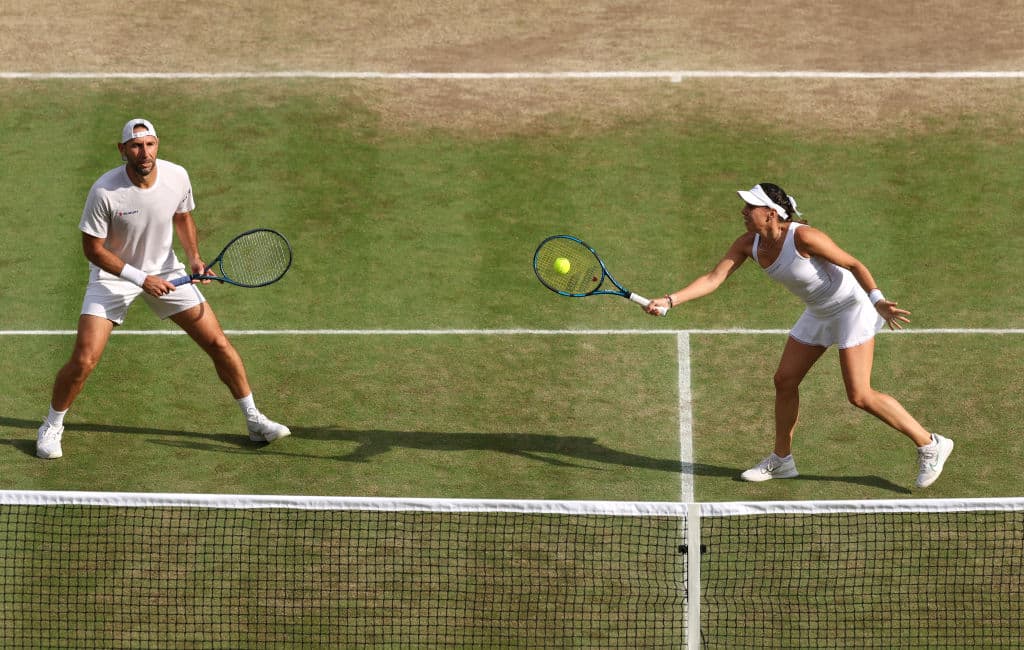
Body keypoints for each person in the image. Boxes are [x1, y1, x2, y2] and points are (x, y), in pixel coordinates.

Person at [645, 182, 953, 488]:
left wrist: (877, 300)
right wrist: (670, 300)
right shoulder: (747, 244)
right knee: (785, 380)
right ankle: (782, 460)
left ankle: (929, 443)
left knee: (859, 394)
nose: (744, 211)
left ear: (770, 213)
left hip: (852, 307)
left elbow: (853, 263)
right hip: (819, 311)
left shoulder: (804, 236)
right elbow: (714, 278)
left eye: (751, 207)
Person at [35, 118, 290, 459]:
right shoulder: (104, 191)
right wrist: (141, 279)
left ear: (158, 145)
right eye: (137, 146)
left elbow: (182, 217)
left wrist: (196, 259)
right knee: (84, 359)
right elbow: (93, 250)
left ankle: (254, 419)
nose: (145, 153)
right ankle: (52, 425)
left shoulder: (177, 176)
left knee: (218, 343)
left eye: (150, 145)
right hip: (114, 277)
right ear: (123, 149)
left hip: (166, 270)